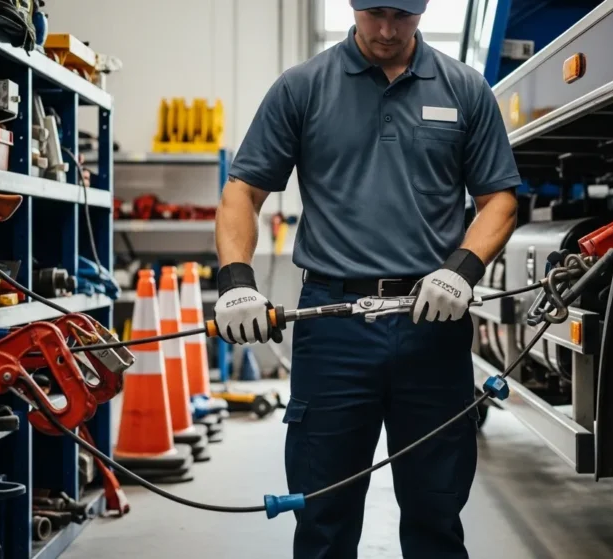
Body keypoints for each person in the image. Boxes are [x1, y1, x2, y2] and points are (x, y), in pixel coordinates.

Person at [212, 1, 520, 557]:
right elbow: (244, 191)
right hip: (334, 328)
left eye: (402, 15)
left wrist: (461, 270)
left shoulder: (465, 89)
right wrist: (236, 280)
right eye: (374, 12)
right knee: (323, 515)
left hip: (433, 322)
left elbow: (498, 199)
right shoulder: (303, 88)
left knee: (436, 514)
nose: (386, 30)